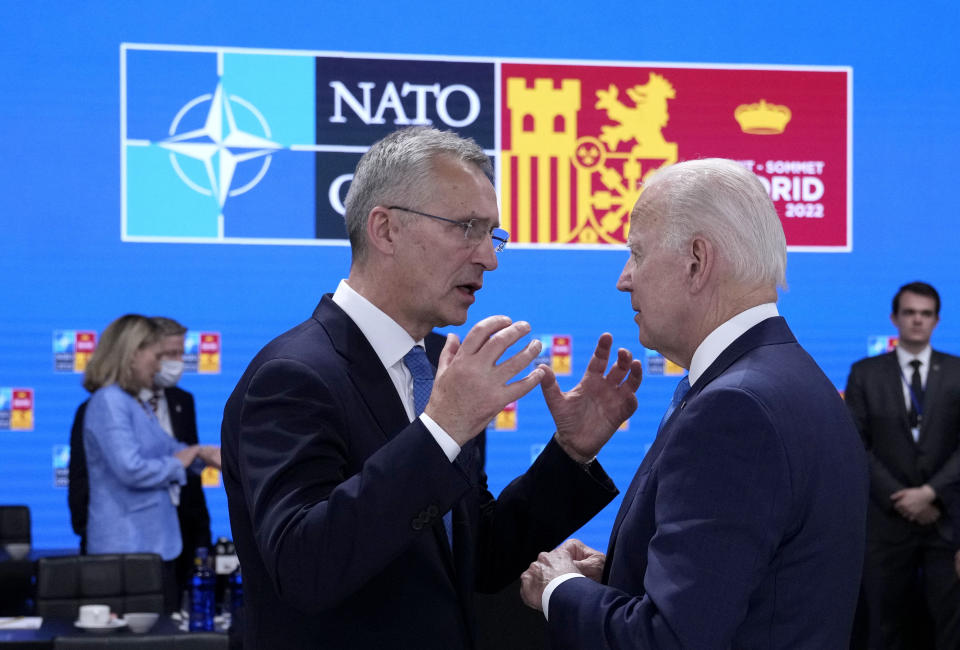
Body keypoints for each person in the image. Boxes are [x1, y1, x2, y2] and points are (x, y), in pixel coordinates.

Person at [220, 126, 642, 649]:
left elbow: (475, 557)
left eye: (493, 234)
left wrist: (569, 455)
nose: (489, 257)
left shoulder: (442, 367)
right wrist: (442, 428)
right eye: (467, 228)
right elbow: (306, 568)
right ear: (386, 229)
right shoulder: (295, 376)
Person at [519, 158, 869, 648]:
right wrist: (625, 573)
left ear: (697, 262)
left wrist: (560, 587)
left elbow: (669, 639)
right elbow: (750, 586)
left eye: (636, 253)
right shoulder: (794, 379)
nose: (624, 279)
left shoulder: (736, 409)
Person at [845, 281, 960, 649]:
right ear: (894, 318)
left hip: (945, 523)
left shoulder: (958, 372)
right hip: (885, 523)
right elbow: (856, 445)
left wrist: (929, 493)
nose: (917, 321)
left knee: (949, 630)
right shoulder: (865, 373)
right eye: (909, 313)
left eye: (925, 314)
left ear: (937, 321)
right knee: (883, 630)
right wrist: (902, 497)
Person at [81, 314, 219, 611]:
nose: (160, 367)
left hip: (153, 545)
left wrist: (202, 454)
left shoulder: (135, 402)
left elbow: (171, 448)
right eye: (157, 357)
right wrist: (181, 462)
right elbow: (130, 469)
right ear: (132, 354)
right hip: (126, 550)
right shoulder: (109, 401)